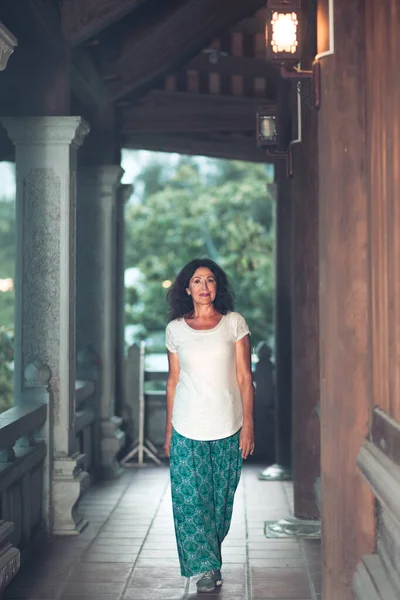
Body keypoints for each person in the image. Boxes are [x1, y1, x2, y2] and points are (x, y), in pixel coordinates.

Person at [164, 258, 255, 593]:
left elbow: (246, 379)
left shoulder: (234, 323)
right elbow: (173, 382)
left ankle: (210, 557)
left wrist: (248, 426)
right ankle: (205, 567)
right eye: (197, 281)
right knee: (190, 501)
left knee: (219, 501)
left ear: (218, 286)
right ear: (187, 289)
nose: (204, 287)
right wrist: (168, 431)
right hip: (187, 426)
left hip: (228, 425)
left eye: (210, 280)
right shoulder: (175, 329)